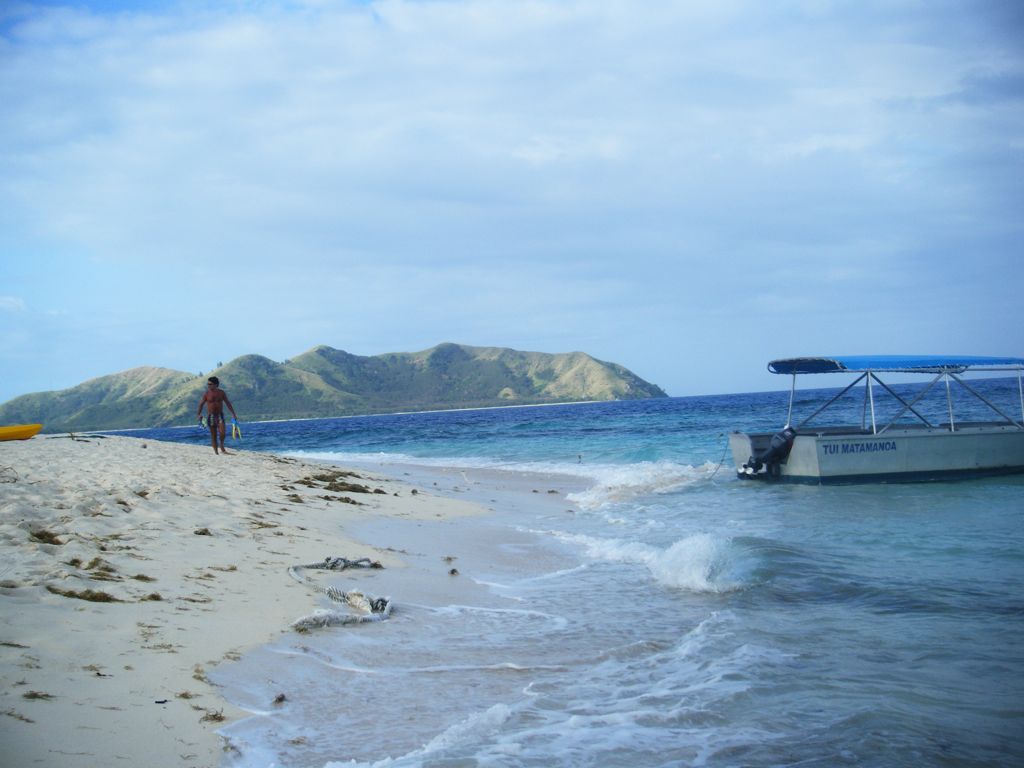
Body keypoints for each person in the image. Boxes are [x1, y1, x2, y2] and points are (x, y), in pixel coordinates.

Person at [197, 376, 238, 455]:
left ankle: (221, 446)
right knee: (214, 436)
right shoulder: (206, 394)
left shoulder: (221, 393)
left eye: (210, 384)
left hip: (220, 415)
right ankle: (216, 453)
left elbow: (227, 403)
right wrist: (199, 414)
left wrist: (233, 414)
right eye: (208, 384)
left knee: (222, 433)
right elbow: (201, 404)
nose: (208, 386)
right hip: (211, 416)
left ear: (216, 384)